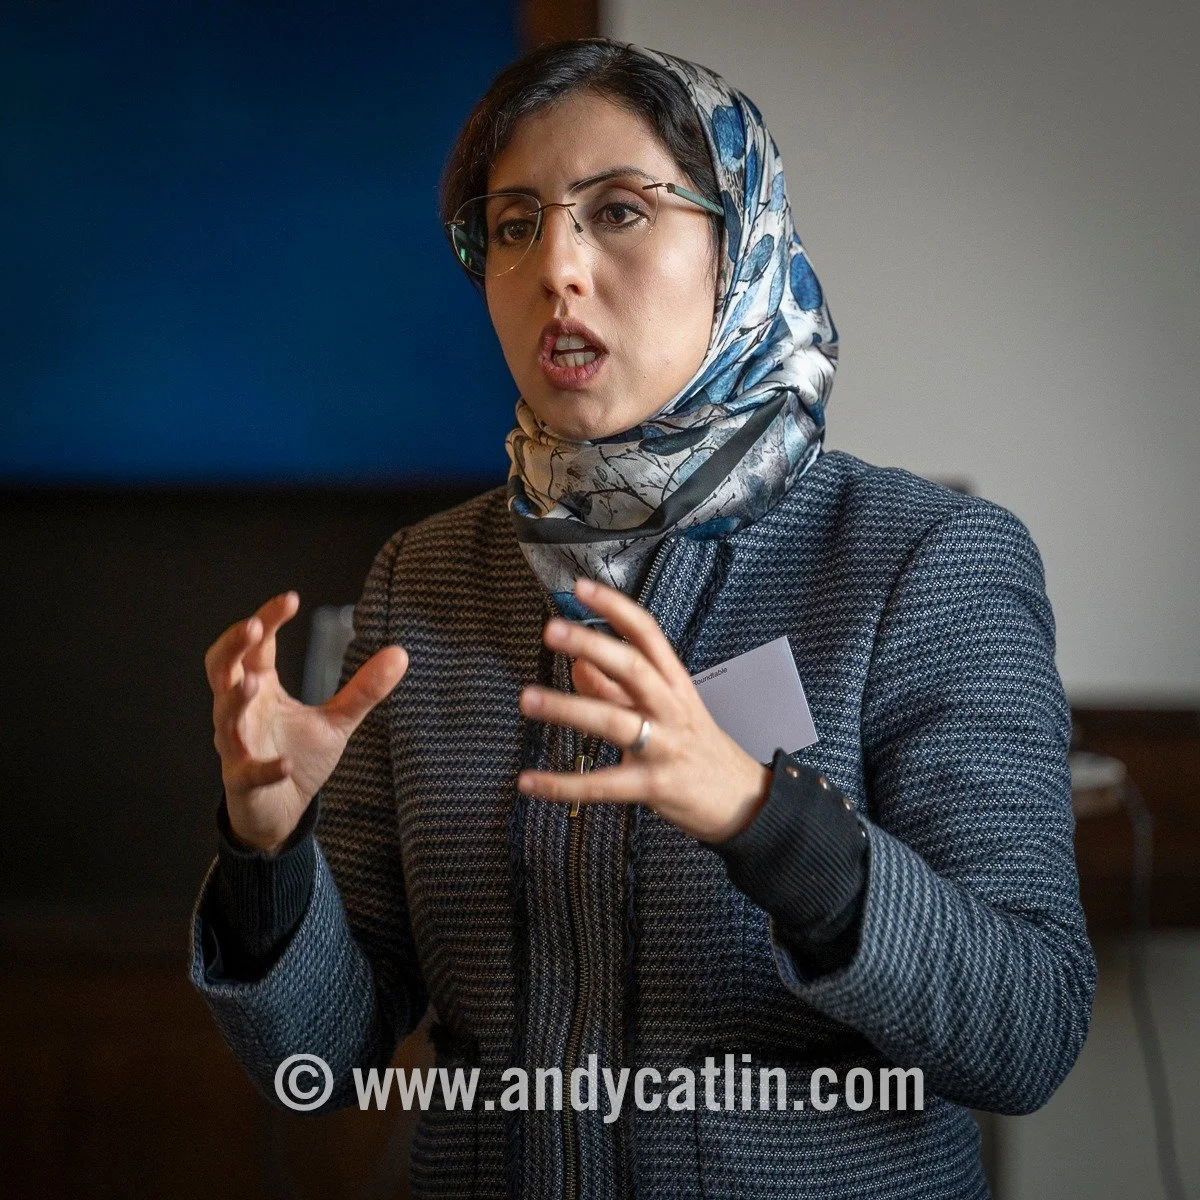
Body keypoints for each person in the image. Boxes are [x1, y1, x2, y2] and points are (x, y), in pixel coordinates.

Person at [190, 38, 1096, 1199]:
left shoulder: (923, 560)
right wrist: (265, 851)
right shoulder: (426, 576)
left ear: (739, 239)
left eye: (618, 210)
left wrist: (765, 820)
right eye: (512, 225)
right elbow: (320, 1058)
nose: (556, 266)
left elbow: (1028, 1032)